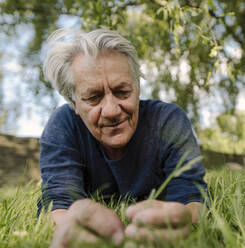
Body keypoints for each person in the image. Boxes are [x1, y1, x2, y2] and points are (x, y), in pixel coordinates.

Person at [37, 28, 208, 247]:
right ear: (74, 104)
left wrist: (187, 220)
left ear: (138, 88)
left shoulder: (168, 121)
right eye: (93, 97)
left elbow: (193, 198)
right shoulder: (63, 125)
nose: (111, 110)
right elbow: (57, 203)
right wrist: (70, 226)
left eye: (122, 91)